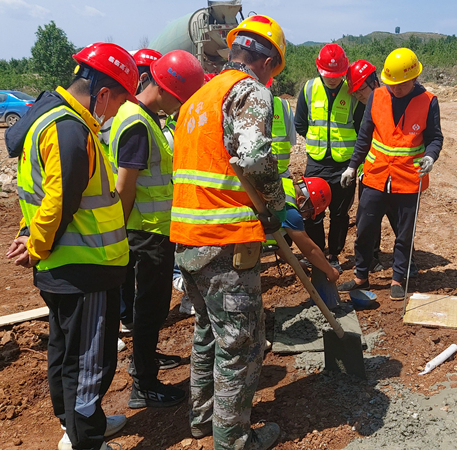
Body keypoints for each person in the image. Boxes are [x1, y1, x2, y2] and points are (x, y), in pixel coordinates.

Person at [4, 42, 138, 450]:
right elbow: (61, 200)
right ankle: (86, 441)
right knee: (89, 363)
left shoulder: (50, 121)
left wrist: (32, 237)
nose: (115, 112)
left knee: (67, 352)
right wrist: (37, 243)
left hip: (65, 267)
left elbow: (40, 195)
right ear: (101, 93)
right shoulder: (68, 129)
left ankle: (75, 427)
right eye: (116, 102)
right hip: (85, 269)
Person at [170, 14, 286, 450]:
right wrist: (276, 206)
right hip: (225, 242)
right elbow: (254, 157)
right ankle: (233, 440)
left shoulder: (198, 98)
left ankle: (202, 420)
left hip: (187, 239)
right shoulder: (249, 91)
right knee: (239, 344)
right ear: (268, 62)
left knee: (206, 332)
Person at [108, 50, 204, 408]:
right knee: (151, 308)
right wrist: (120, 236)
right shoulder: (138, 123)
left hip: (152, 230)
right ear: (164, 89)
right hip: (147, 233)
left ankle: (143, 360)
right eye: (178, 100)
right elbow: (125, 187)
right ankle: (144, 384)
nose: (178, 107)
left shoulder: (144, 117)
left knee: (149, 307)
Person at [339, 48, 443, 300]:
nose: (395, 90)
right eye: (392, 84)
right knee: (365, 228)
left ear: (414, 79)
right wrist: (353, 166)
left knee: (404, 234)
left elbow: (435, 137)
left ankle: (398, 278)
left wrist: (430, 155)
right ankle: (360, 275)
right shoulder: (377, 97)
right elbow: (365, 135)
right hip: (376, 176)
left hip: (408, 180)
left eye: (401, 85)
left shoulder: (428, 101)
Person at [101, 48, 161, 333]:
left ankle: (125, 319)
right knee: (130, 282)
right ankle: (125, 321)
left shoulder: (126, 113)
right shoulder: (134, 118)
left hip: (123, 213)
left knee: (125, 275)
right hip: (134, 218)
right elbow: (127, 180)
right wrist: (119, 223)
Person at [294, 43, 364, 271]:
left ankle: (333, 253)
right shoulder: (308, 89)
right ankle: (316, 252)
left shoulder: (352, 92)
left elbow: (362, 127)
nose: (332, 79)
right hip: (316, 163)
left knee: (339, 213)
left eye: (337, 75)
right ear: (318, 69)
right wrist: (320, 142)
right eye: (328, 75)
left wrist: (352, 162)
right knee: (312, 210)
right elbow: (301, 124)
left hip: (344, 165)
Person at [278, 176, 339, 282]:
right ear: (301, 200)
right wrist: (330, 272)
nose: (306, 217)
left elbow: (276, 244)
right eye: (309, 212)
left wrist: (297, 264)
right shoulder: (289, 210)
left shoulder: (285, 184)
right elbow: (310, 250)